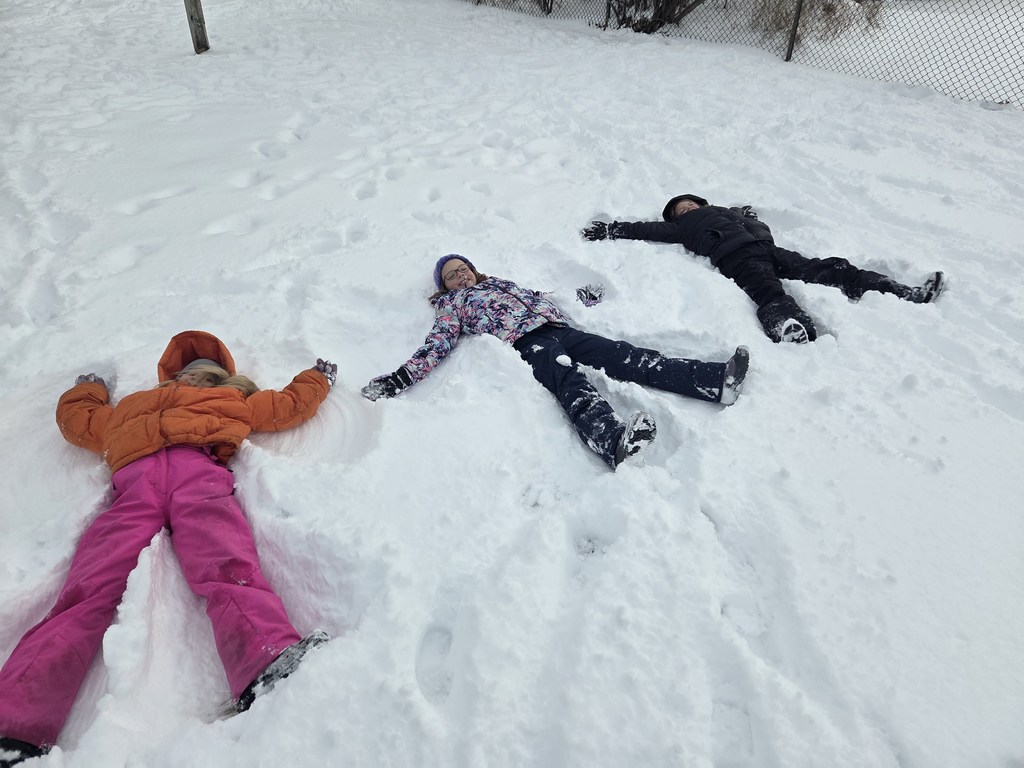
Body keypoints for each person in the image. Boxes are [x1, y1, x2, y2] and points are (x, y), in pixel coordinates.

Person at [0, 330, 339, 766]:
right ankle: (13, 719)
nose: (197, 378)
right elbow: (81, 420)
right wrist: (89, 388)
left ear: (223, 380)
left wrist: (317, 379)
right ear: (171, 377)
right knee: (88, 589)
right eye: (191, 371)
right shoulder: (131, 408)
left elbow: (288, 405)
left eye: (208, 374)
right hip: (135, 489)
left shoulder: (234, 403)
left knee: (226, 565)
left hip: (198, 474)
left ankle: (265, 657)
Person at [361, 255, 749, 470]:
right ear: (443, 287)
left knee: (624, 355)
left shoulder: (500, 284)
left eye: (462, 268)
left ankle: (713, 381)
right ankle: (614, 442)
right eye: (450, 276)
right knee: (569, 382)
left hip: (558, 328)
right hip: (526, 344)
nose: (459, 276)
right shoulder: (453, 306)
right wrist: (397, 381)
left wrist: (583, 296)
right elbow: (435, 346)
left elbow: (546, 297)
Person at [581, 193, 946, 343]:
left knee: (831, 268)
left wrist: (747, 217)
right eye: (680, 210)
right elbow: (646, 229)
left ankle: (901, 291)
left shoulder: (726, 212)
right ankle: (787, 327)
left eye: (689, 203)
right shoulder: (682, 228)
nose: (687, 209)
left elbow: (746, 218)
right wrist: (613, 228)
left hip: (769, 249)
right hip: (737, 258)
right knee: (766, 290)